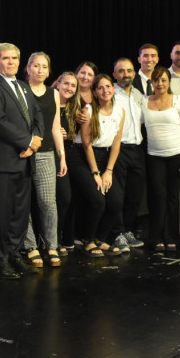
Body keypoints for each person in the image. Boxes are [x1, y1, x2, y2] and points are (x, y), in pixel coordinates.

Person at [0, 43, 45, 279]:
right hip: (4, 162)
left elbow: (37, 115)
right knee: (2, 214)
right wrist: (28, 142)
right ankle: (0, 258)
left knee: (20, 213)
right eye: (5, 58)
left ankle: (14, 254)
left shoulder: (24, 87)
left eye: (15, 58)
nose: (11, 62)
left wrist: (36, 140)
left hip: (25, 161)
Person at [141, 66, 180, 252]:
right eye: (156, 80)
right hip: (154, 156)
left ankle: (170, 236)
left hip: (177, 155)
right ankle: (155, 237)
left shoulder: (178, 101)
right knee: (157, 197)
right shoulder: (144, 102)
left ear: (169, 82)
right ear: (152, 83)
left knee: (172, 197)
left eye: (163, 80)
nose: (160, 83)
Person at [21, 52, 66, 268]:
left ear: (49, 71)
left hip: (47, 153)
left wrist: (62, 156)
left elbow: (55, 128)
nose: (40, 70)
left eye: (44, 66)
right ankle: (30, 246)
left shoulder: (53, 94)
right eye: (36, 66)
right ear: (28, 68)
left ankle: (52, 246)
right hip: (22, 153)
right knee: (23, 204)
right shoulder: (20, 90)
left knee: (48, 203)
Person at [74, 73, 126, 256]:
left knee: (116, 202)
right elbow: (87, 144)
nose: (105, 90)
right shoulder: (88, 111)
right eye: (101, 88)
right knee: (98, 200)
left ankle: (100, 239)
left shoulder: (120, 111)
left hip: (106, 159)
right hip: (84, 157)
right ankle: (87, 240)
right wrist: (96, 173)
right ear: (95, 92)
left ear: (113, 89)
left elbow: (116, 143)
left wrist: (109, 171)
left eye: (108, 86)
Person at [110, 58, 147, 251]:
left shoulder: (138, 95)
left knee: (134, 194)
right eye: (121, 71)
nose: (126, 75)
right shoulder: (111, 94)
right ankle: (117, 233)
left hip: (137, 150)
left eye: (129, 71)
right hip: (119, 149)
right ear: (115, 74)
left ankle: (128, 230)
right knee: (118, 195)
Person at [53, 71, 79, 253]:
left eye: (73, 85)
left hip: (69, 157)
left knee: (67, 199)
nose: (69, 88)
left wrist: (67, 134)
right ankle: (51, 239)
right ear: (58, 84)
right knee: (59, 199)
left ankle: (64, 237)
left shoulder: (74, 109)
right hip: (50, 156)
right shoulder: (48, 103)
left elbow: (76, 135)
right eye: (66, 84)